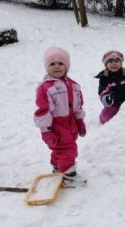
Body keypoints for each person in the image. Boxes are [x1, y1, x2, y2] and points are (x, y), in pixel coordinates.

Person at [34, 46, 87, 186]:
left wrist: (80, 121)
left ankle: (57, 168)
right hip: (56, 124)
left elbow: (78, 105)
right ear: (47, 67)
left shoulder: (74, 85)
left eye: (60, 63)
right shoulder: (45, 88)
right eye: (52, 64)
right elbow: (43, 111)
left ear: (67, 66)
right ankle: (69, 177)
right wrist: (46, 131)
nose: (56, 67)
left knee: (61, 149)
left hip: (71, 122)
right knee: (68, 150)